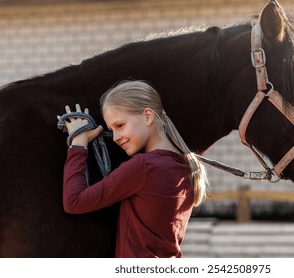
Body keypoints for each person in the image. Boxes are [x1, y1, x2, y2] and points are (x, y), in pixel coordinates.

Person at [60, 80, 208, 258]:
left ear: (148, 116)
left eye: (120, 125)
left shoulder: (144, 167)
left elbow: (74, 202)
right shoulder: (187, 166)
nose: (115, 137)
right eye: (111, 130)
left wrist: (78, 142)